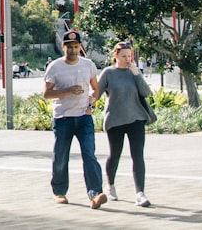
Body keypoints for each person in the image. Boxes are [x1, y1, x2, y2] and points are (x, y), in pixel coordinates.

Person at [44, 30, 106, 209]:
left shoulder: (88, 65)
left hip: (84, 117)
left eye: (76, 47)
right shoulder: (55, 67)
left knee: (89, 154)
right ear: (63, 47)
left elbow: (95, 89)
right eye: (69, 47)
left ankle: (95, 193)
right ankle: (59, 191)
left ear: (80, 47)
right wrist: (67, 91)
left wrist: (92, 102)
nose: (73, 50)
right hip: (63, 118)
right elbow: (47, 93)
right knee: (61, 156)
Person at [97, 41, 154, 207]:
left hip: (136, 118)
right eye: (124, 56)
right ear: (115, 56)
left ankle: (140, 193)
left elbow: (146, 93)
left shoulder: (133, 72)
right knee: (115, 154)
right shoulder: (108, 73)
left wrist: (137, 74)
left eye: (130, 56)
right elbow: (97, 93)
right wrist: (87, 105)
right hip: (115, 120)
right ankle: (111, 185)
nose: (127, 59)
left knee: (138, 155)